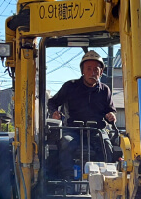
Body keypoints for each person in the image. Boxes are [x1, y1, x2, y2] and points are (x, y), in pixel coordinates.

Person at [47, 50, 116, 180]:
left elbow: (110, 110)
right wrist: (54, 113)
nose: (92, 72)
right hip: (73, 129)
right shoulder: (70, 86)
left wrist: (111, 115)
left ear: (101, 72)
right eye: (89, 69)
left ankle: (105, 180)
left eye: (96, 69)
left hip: (97, 130)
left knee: (106, 145)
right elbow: (52, 102)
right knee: (66, 143)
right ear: (82, 71)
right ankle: (67, 178)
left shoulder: (105, 90)